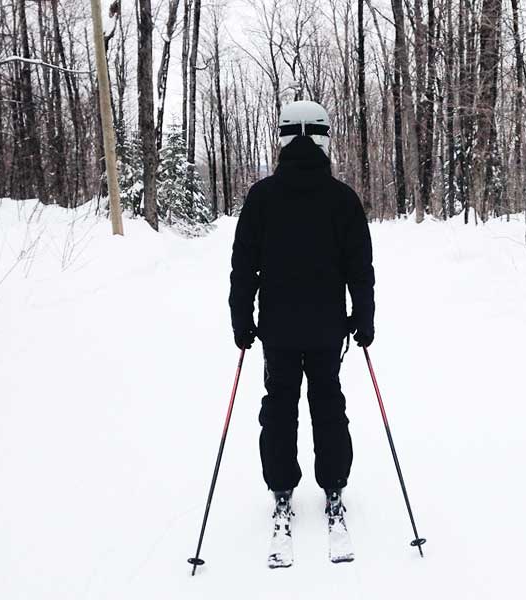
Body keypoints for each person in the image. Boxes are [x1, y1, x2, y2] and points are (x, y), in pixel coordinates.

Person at [229, 100, 375, 564]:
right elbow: (360, 269)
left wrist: (242, 318)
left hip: (279, 330)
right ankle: (333, 488)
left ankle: (282, 488)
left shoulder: (262, 196)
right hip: (328, 329)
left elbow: (242, 267)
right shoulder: (342, 198)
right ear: (325, 140)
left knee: (280, 407)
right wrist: (364, 317)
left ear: (283, 139)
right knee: (328, 405)